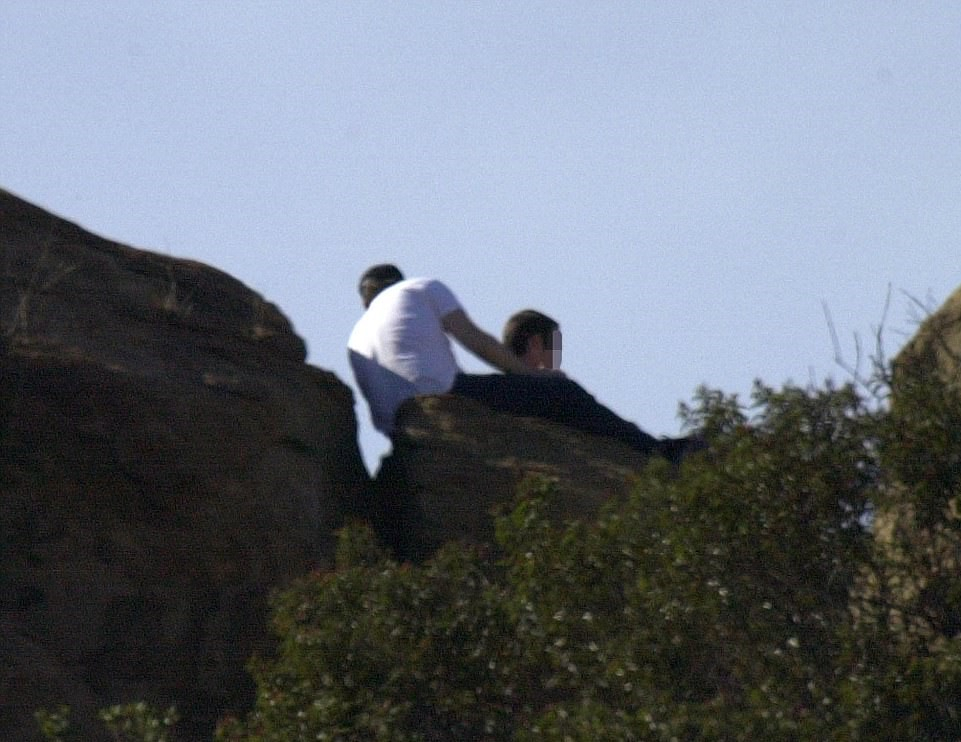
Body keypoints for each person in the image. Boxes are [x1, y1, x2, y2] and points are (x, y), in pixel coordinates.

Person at [347, 264, 680, 459]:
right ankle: (656, 453)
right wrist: (532, 379)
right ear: (399, 280)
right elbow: (476, 341)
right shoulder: (420, 288)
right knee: (565, 394)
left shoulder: (355, 339)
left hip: (400, 429)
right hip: (444, 394)